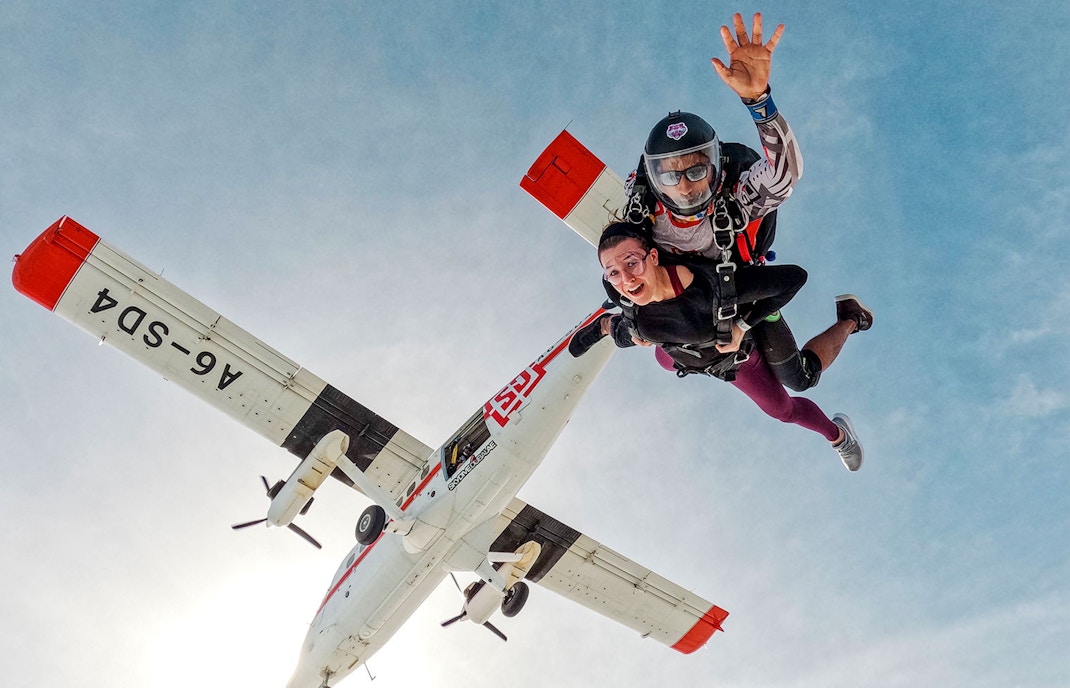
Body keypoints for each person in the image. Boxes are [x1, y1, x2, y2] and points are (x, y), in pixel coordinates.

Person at [622, 12, 872, 392]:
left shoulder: (733, 202)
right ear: (654, 179)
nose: (685, 187)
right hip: (695, 306)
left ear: (717, 167)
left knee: (799, 379)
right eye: (670, 176)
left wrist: (759, 101)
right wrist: (628, 319)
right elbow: (614, 263)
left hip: (746, 295)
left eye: (695, 171)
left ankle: (851, 319)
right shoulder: (643, 214)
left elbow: (784, 176)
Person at [574, 222, 863, 471]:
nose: (625, 279)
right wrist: (609, 327)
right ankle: (604, 325)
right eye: (613, 272)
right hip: (691, 354)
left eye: (631, 264)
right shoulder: (630, 304)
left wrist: (742, 326)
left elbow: (794, 278)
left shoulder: (710, 289)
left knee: (796, 388)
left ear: (652, 257)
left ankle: (851, 322)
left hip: (742, 332)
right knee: (644, 341)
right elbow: (628, 321)